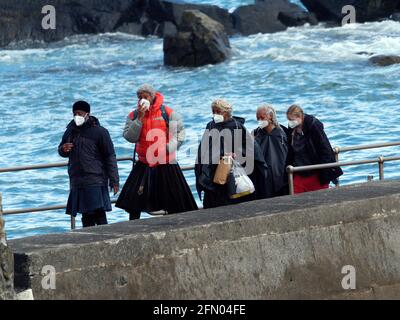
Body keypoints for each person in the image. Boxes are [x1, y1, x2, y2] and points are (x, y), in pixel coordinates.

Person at [116, 84, 198, 220]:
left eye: (145, 97)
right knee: (133, 202)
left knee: (176, 201)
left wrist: (167, 148)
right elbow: (130, 137)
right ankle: (132, 228)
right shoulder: (134, 115)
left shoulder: (168, 113)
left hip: (165, 162)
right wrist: (139, 119)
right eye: (140, 97)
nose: (142, 100)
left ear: (152, 97)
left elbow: (180, 134)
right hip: (144, 162)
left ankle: (176, 225)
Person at [195, 99, 270, 209]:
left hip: (234, 173)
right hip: (215, 173)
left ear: (225, 112)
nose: (215, 114)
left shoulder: (236, 125)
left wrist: (236, 155)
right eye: (213, 111)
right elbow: (204, 149)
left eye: (218, 111)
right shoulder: (211, 126)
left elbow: (251, 149)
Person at [58, 101, 119, 227]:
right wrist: (63, 149)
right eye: (74, 113)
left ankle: (106, 241)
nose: (77, 116)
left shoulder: (100, 132)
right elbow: (62, 150)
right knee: (86, 215)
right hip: (77, 179)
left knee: (99, 213)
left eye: (80, 113)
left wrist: (114, 181)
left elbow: (110, 157)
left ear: (87, 114)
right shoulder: (70, 131)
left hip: (95, 178)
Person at [286, 104, 343, 194]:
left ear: (300, 116)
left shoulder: (313, 125)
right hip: (299, 171)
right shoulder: (292, 129)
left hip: (315, 171)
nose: (290, 122)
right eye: (289, 120)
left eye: (291, 120)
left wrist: (324, 171)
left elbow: (325, 148)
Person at [253, 104, 289, 197]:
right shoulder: (256, 134)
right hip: (263, 176)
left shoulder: (282, 133)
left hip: (280, 175)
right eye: (258, 118)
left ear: (271, 117)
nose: (260, 120)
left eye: (262, 117)